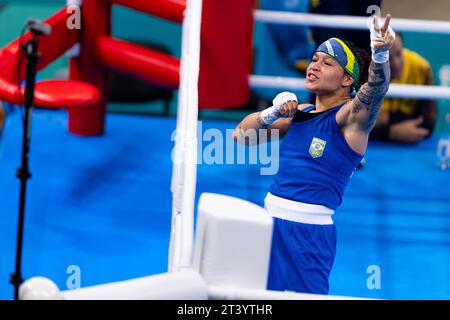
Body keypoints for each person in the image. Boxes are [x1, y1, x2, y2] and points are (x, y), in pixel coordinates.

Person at [232, 15, 395, 294]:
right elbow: (241, 137)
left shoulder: (349, 119)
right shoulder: (299, 114)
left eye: (327, 62)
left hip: (307, 234)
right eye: (314, 59)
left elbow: (375, 91)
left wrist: (379, 54)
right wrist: (270, 114)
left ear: (346, 79)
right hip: (266, 220)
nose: (314, 66)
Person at [370, 32, 436, 143]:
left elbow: (428, 124)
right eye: (387, 57)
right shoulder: (366, 69)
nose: (395, 63)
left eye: (399, 54)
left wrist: (384, 119)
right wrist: (390, 132)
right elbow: (347, 123)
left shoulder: (420, 67)